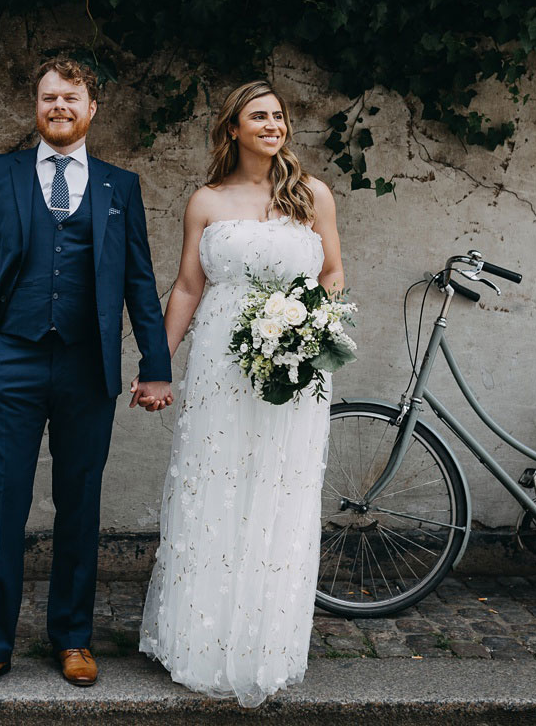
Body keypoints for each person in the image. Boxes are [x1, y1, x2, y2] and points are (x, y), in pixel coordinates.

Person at [0, 58, 174, 693]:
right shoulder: (0, 174)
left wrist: (154, 365)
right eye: (49, 97)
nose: (59, 107)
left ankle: (73, 638)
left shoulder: (118, 187)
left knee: (79, 504)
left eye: (70, 98)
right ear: (37, 105)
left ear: (91, 108)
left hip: (88, 367)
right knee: (2, 503)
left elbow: (138, 280)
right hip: (12, 362)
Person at [138, 80, 345, 707]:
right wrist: (157, 365)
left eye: (279, 116)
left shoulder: (312, 196)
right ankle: (200, 640)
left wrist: (310, 328)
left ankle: (265, 642)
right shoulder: (205, 201)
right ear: (233, 129)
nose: (273, 125)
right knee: (216, 487)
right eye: (259, 116)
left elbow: (332, 274)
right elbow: (186, 289)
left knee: (281, 494)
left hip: (295, 373)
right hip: (222, 371)